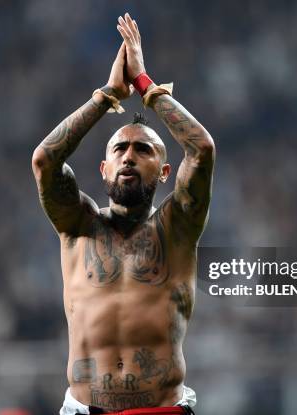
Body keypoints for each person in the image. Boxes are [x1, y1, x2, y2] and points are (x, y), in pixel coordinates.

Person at [32, 13, 214, 415]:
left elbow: (201, 149)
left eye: (144, 149)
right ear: (104, 169)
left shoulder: (177, 228)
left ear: (165, 172)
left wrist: (146, 85)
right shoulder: (77, 224)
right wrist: (107, 95)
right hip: (83, 408)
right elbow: (45, 159)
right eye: (119, 149)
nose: (129, 156)